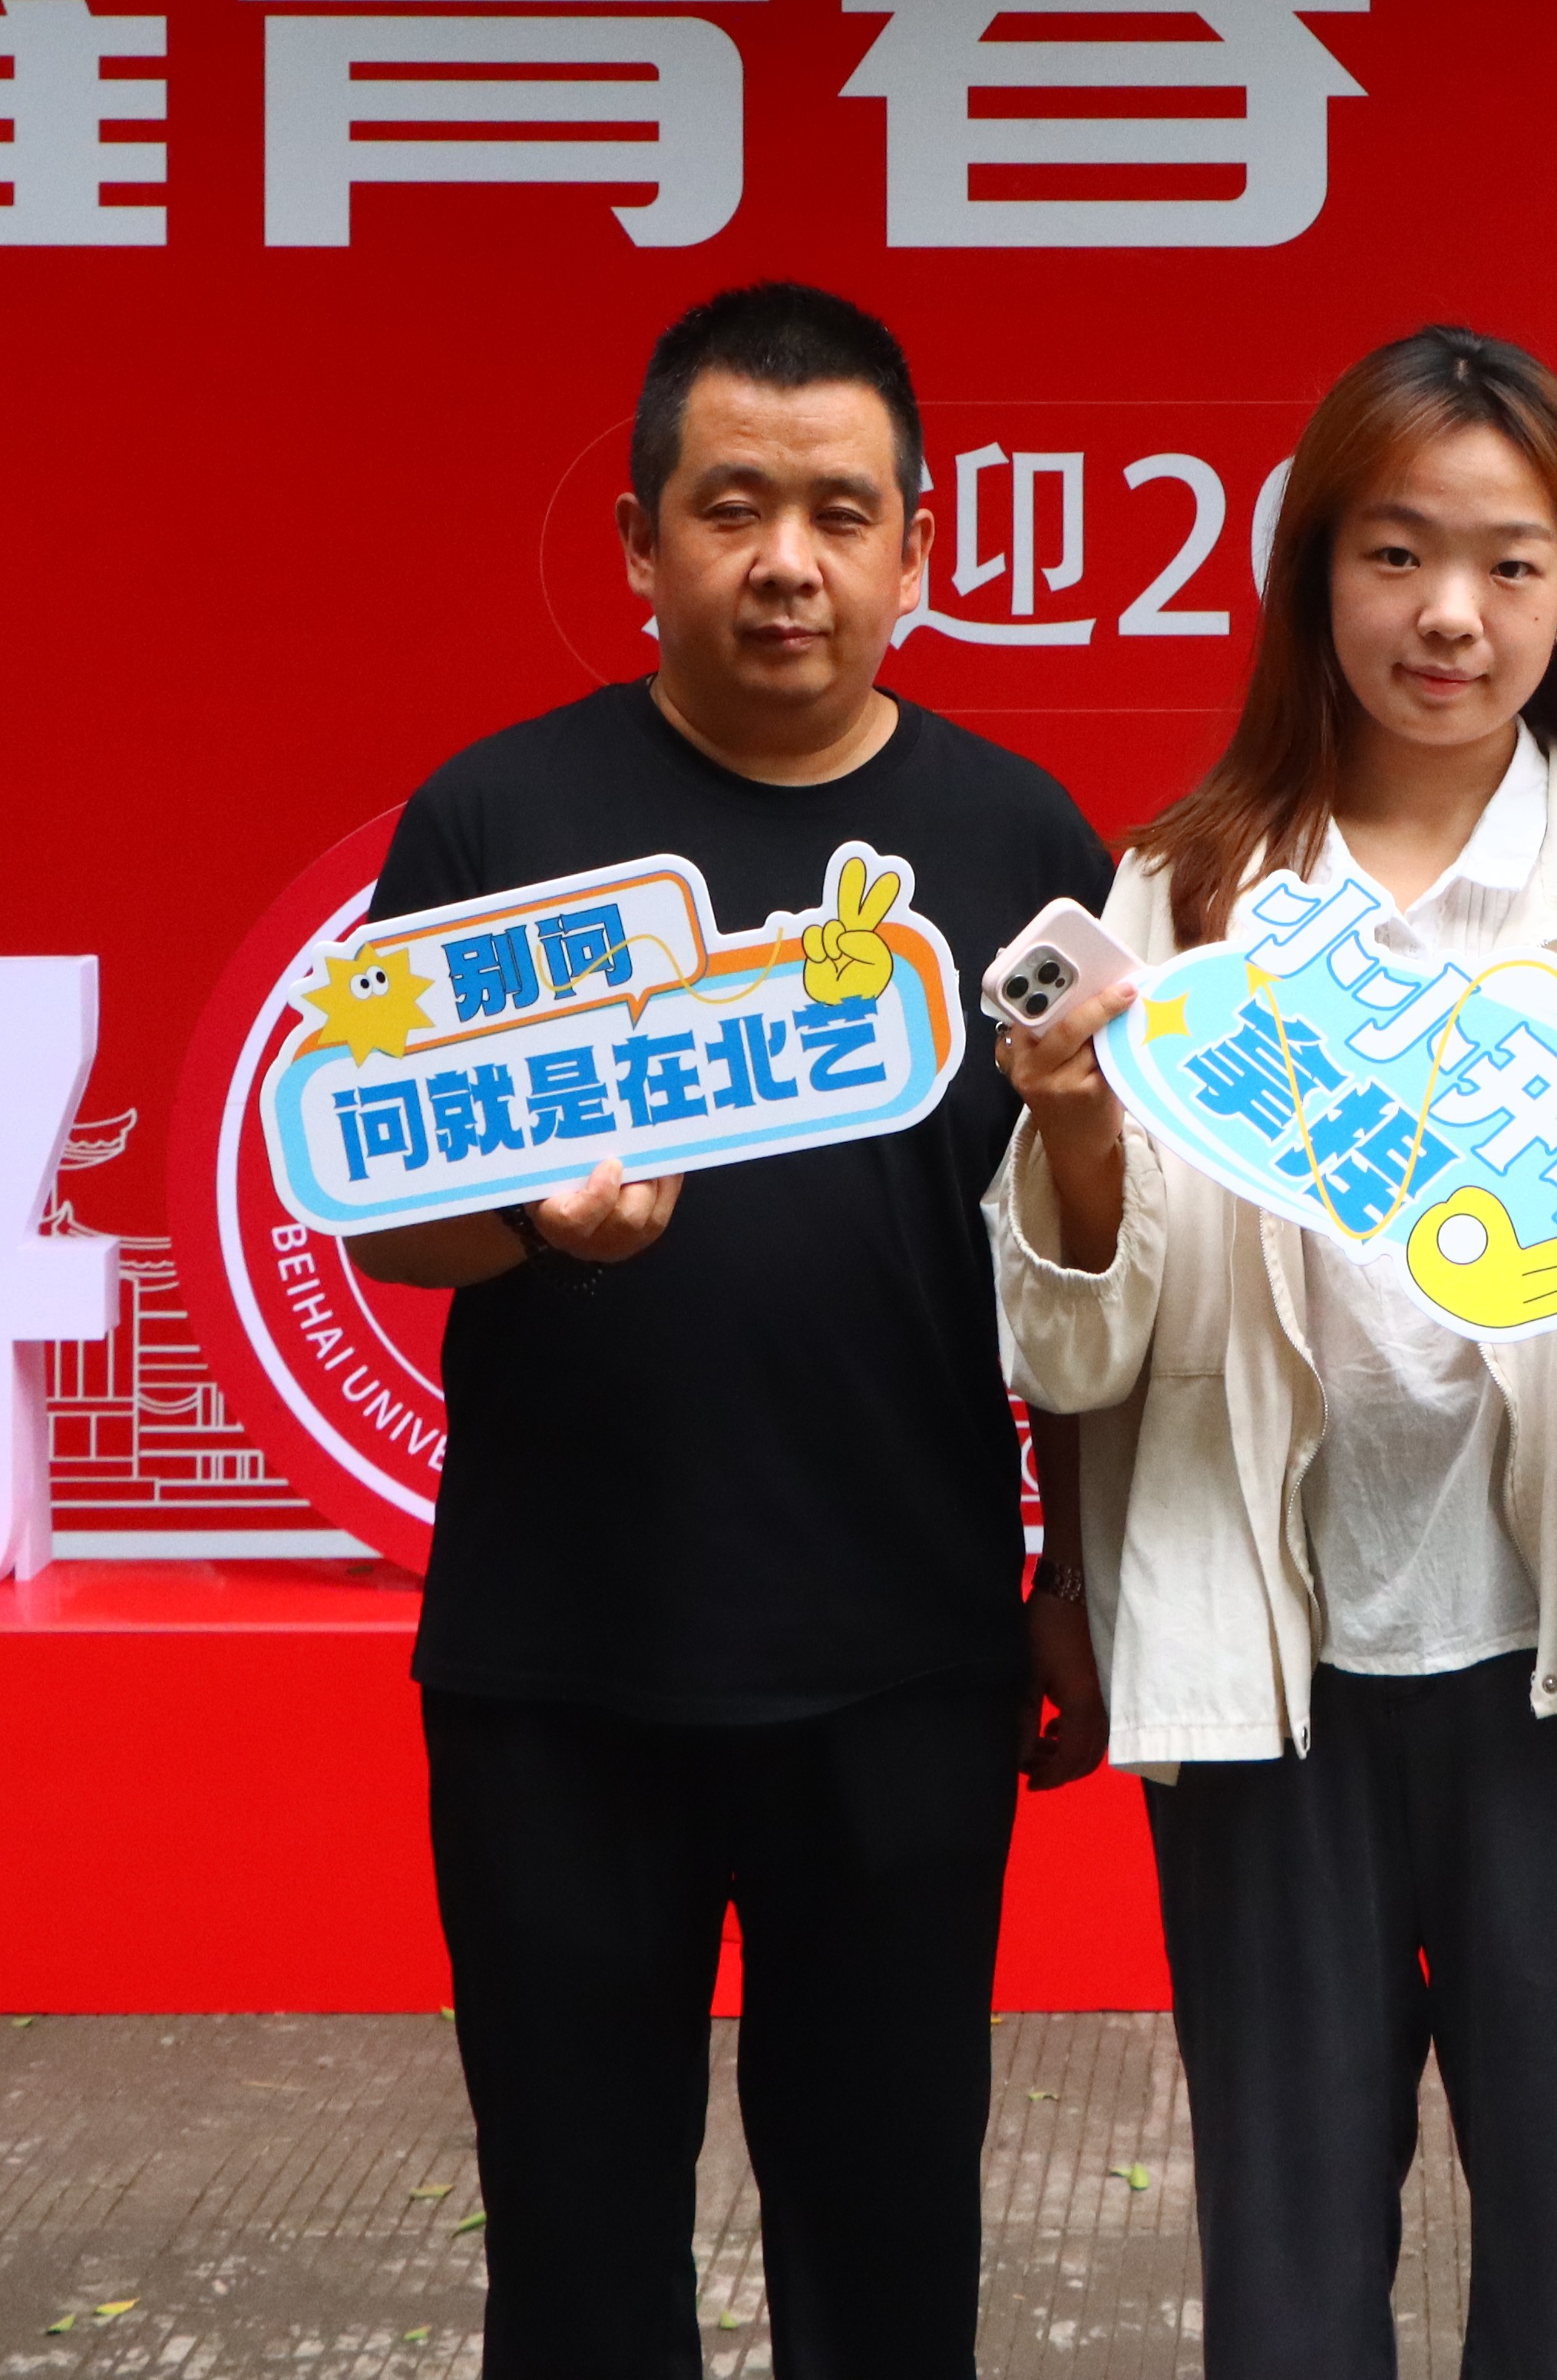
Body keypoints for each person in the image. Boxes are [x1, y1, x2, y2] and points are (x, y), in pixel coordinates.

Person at [984, 325, 1557, 2380]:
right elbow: (1083, 1347)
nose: (1450, 614)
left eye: (1509, 564)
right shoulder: (1188, 882)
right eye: (1395, 554)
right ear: (1315, 579)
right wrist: (1079, 1129)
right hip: (1268, 1661)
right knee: (1284, 2255)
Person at [348, 280, 1116, 2380]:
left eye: (842, 514)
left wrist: (1073, 1583)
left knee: (890, 2245)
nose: (790, 561)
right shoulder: (498, 827)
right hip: (560, 1663)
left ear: (917, 551)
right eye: (735, 506)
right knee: (576, 2249)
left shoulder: (1022, 841)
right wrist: (534, 1221)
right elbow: (386, 1220)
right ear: (639, 540)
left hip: (906, 1658)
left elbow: (1081, 1266)